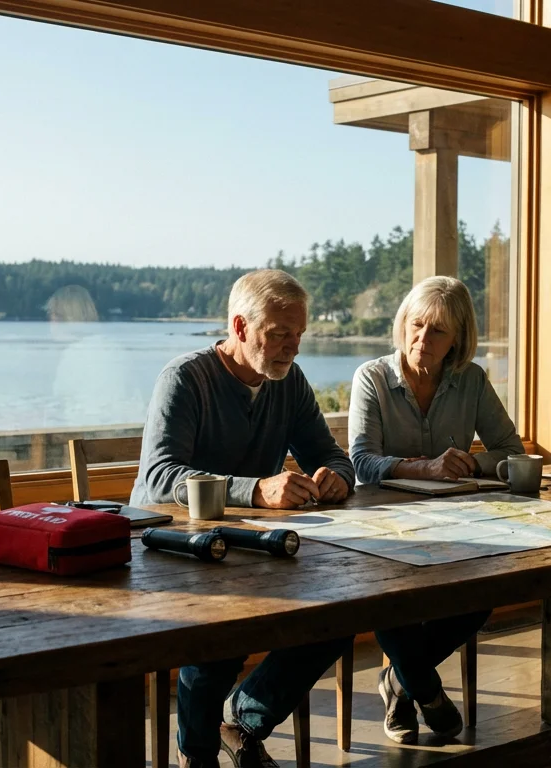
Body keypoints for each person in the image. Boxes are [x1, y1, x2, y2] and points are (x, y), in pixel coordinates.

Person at [131, 269, 354, 768]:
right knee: (222, 634)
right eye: (278, 335)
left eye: (298, 336)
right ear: (239, 327)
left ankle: (245, 720)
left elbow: (331, 454)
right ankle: (199, 754)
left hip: (254, 547)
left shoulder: (288, 381)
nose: (292, 348)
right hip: (174, 547)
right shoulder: (185, 378)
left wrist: (336, 475)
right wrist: (256, 489)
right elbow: (160, 476)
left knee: (341, 616)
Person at [347, 275, 523, 744]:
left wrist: (470, 462)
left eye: (438, 331)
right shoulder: (372, 377)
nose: (422, 339)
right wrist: (425, 467)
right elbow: (361, 462)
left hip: (456, 524)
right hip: (382, 527)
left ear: (458, 341)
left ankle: (398, 683)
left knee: (484, 591)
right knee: (387, 599)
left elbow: (511, 449)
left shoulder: (472, 381)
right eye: (417, 325)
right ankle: (424, 689)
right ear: (403, 323)